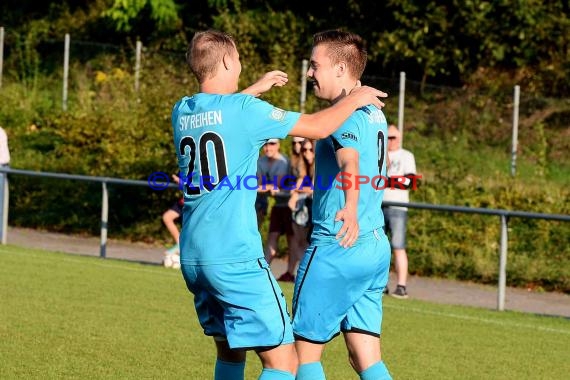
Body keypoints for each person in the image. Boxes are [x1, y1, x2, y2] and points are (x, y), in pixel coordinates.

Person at [171, 30, 386, 380]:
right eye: (238, 58)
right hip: (236, 255)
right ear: (227, 61)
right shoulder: (246, 110)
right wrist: (355, 97)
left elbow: (221, 117)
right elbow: (316, 126)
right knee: (285, 362)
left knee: (230, 350)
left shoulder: (182, 110)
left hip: (195, 256)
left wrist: (252, 90)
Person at [291, 30, 393, 380]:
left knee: (299, 355)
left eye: (315, 66)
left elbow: (349, 161)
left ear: (339, 68)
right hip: (374, 244)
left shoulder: (342, 113)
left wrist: (349, 206)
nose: (309, 73)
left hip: (338, 243)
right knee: (365, 357)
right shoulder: (374, 113)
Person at [382, 125, 417, 299]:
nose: (390, 141)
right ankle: (381, 283)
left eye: (393, 137)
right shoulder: (379, 153)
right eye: (387, 137)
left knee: (398, 246)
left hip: (398, 206)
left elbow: (410, 181)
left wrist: (386, 181)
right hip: (379, 205)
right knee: (379, 247)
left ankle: (401, 285)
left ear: (400, 137)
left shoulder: (406, 156)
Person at [257, 139, 295, 272]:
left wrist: (265, 187)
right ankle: (262, 270)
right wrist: (267, 187)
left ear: (278, 145)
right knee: (272, 237)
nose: (268, 147)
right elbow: (259, 186)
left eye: (272, 144)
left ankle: (290, 273)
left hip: (291, 204)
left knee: (293, 240)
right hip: (278, 204)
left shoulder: (283, 161)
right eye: (266, 144)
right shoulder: (261, 161)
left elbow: (277, 184)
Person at [283, 138, 315, 282]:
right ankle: (303, 272)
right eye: (304, 150)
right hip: (305, 207)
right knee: (299, 241)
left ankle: (310, 273)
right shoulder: (302, 167)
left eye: (310, 150)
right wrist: (294, 195)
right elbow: (297, 187)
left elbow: (314, 189)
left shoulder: (319, 165)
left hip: (317, 208)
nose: (307, 153)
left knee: (310, 243)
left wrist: (297, 191)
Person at [162, 174, 183, 269]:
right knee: (167, 217)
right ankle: (179, 244)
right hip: (184, 201)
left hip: (193, 202)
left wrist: (181, 182)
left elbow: (197, 185)